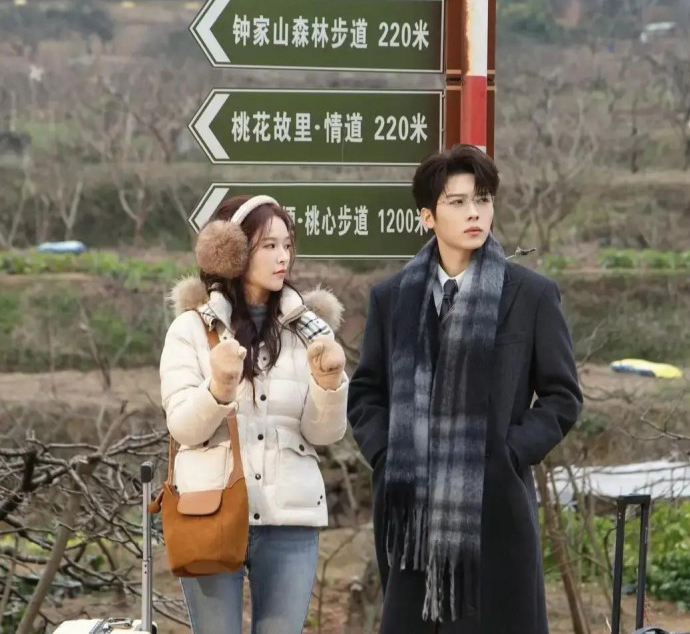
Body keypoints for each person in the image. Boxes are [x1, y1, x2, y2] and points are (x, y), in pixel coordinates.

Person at [347, 146, 583, 633]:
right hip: (411, 517)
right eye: (457, 202)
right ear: (427, 217)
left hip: (496, 511)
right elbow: (367, 393)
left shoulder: (530, 295)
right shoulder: (391, 298)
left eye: (482, 199)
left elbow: (563, 396)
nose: (474, 212)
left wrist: (508, 453)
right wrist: (388, 455)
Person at [160, 194, 348, 634]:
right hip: (209, 513)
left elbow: (324, 434)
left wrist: (329, 384)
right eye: (269, 246)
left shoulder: (310, 331)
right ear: (232, 252)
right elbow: (183, 426)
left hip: (290, 518)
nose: (283, 257)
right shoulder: (191, 329)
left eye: (287, 245)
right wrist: (218, 387)